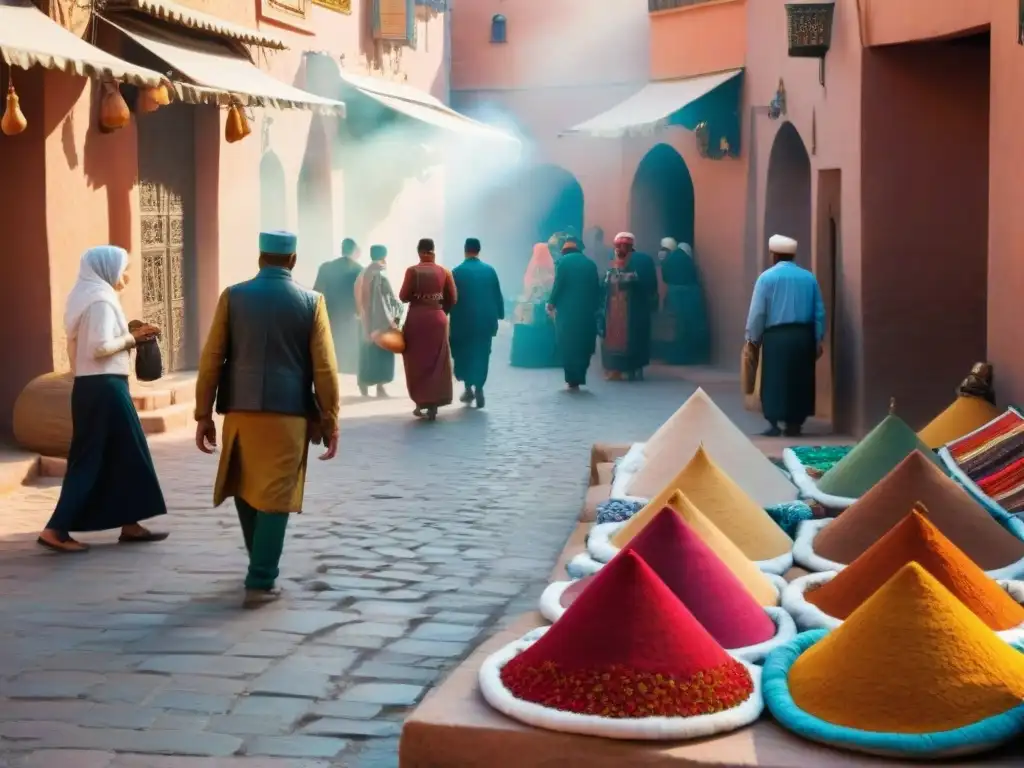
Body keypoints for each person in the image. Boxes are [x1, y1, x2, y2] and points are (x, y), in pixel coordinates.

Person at [194, 230, 341, 607]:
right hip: (287, 414)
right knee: (276, 493)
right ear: (292, 260)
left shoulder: (233, 296)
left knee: (245, 486)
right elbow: (324, 367)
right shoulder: (312, 301)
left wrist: (202, 413)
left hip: (240, 413)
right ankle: (261, 580)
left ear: (260, 257)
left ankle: (259, 562)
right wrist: (330, 417)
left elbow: (211, 359)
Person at [37, 246, 168, 553]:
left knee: (126, 454)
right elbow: (99, 347)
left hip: (95, 387)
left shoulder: (86, 295)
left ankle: (130, 523)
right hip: (104, 387)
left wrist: (129, 331)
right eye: (124, 269)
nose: (127, 276)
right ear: (107, 268)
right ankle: (55, 529)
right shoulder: (100, 300)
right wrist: (133, 338)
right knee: (91, 458)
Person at [745, 234, 825, 437]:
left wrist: (752, 338)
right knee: (800, 380)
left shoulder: (766, 278)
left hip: (776, 336)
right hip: (803, 336)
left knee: (774, 380)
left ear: (773, 254)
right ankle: (795, 423)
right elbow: (819, 312)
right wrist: (818, 339)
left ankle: (773, 422)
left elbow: (758, 312)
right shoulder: (809, 278)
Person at [400, 238, 457, 421]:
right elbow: (453, 298)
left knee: (416, 361)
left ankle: (420, 403)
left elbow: (403, 297)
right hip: (438, 319)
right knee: (437, 361)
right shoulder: (444, 272)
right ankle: (434, 404)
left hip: (417, 320)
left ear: (419, 252)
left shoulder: (412, 271)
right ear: (433, 252)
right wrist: (440, 311)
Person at [450, 237, 505, 408]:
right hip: (485, 322)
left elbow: (451, 298)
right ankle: (479, 387)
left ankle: (468, 388)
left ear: (465, 250)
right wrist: (500, 314)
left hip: (463, 322)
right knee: (482, 353)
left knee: (464, 353)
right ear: (479, 250)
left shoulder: (457, 272)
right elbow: (497, 295)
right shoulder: (489, 271)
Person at [600, 232, 658, 381]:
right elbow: (652, 286)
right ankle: (631, 369)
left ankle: (620, 369)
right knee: (633, 338)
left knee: (629, 338)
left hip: (623, 310)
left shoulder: (611, 261)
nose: (621, 248)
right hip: (629, 310)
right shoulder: (643, 260)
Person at [547, 236, 601, 390]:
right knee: (584, 343)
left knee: (568, 343)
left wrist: (551, 302)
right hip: (586, 312)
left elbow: (559, 285)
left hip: (567, 312)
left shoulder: (562, 263)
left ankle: (571, 379)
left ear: (564, 251)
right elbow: (596, 288)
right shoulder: (590, 264)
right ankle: (580, 375)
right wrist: (596, 307)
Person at [354, 244, 403, 398]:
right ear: (384, 256)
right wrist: (394, 319)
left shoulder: (362, 274)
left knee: (366, 353)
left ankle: (364, 384)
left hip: (363, 320)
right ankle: (380, 387)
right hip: (380, 321)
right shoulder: (381, 275)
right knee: (381, 352)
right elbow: (387, 301)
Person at [656, 237, 711, 365]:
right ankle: (688, 357)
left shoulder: (669, 259)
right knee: (688, 326)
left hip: (673, 295)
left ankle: (674, 357)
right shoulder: (688, 261)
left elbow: (665, 276)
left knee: (674, 326)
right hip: (690, 296)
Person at [313, 237, 362, 375]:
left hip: (330, 314)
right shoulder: (359, 270)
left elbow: (317, 292)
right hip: (350, 316)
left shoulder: (326, 267)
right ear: (355, 251)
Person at [509, 243, 559, 369]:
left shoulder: (531, 270)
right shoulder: (550, 269)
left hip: (530, 306)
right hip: (546, 306)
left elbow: (527, 288)